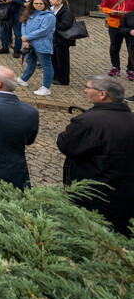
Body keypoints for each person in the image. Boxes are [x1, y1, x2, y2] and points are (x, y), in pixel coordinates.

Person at [56, 76, 134, 234]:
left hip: (93, 195)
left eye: (88, 87)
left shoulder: (89, 121)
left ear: (102, 94)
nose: (85, 90)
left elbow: (65, 144)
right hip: (126, 195)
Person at [100, 0, 134, 79]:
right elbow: (103, 7)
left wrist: (126, 13)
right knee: (114, 47)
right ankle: (115, 67)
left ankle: (131, 69)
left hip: (130, 26)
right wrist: (112, 11)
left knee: (131, 48)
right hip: (114, 25)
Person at [49, 0, 75, 86]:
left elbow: (65, 24)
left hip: (62, 39)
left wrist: (52, 24)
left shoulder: (66, 11)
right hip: (53, 38)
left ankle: (63, 79)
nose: (50, 1)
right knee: (54, 58)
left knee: (62, 59)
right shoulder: (51, 9)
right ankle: (56, 76)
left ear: (60, 1)